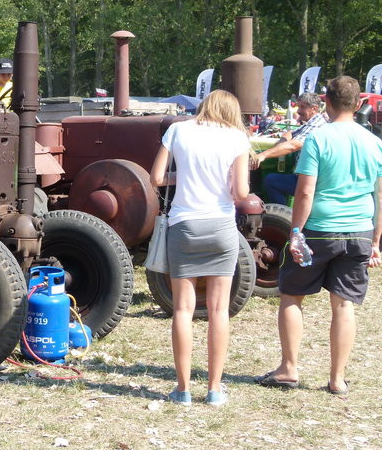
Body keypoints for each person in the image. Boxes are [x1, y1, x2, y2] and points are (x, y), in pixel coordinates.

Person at [256, 76, 382, 396]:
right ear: (359, 103)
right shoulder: (375, 142)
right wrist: (376, 241)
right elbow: (380, 195)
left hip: (319, 230)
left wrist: (296, 232)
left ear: (326, 102)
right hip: (359, 231)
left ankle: (289, 368)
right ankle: (337, 379)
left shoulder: (317, 138)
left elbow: (305, 191)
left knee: (291, 295)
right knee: (344, 305)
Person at [149, 89, 251, 407]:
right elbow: (241, 193)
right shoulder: (236, 137)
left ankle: (182, 390)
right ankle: (215, 389)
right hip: (221, 227)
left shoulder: (178, 129)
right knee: (219, 310)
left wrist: (183, 177)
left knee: (183, 309)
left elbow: (155, 178)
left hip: (185, 225)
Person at [254, 92, 329, 204]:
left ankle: (281, 213)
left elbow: (295, 145)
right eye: (298, 106)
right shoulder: (311, 123)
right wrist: (281, 143)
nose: (298, 111)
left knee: (271, 181)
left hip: (312, 181)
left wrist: (263, 155)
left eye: (302, 107)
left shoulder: (316, 125)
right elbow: (290, 133)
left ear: (314, 108)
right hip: (309, 177)